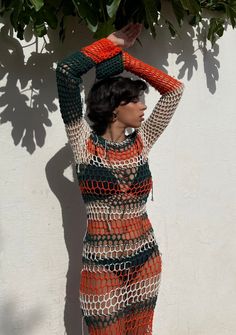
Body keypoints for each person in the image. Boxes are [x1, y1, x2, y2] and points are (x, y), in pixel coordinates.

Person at [56, 23, 185, 335]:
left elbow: (174, 90)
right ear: (115, 108)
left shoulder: (142, 141)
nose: (143, 107)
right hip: (102, 266)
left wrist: (126, 62)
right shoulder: (84, 146)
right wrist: (109, 45)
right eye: (136, 101)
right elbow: (65, 73)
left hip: (146, 258)